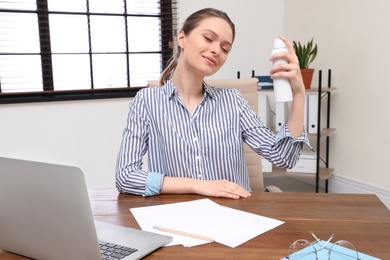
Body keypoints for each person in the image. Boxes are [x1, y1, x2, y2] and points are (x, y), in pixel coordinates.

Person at [115, 8, 309, 199]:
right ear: (182, 38)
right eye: (208, 38)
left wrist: (299, 93)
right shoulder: (146, 102)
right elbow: (125, 176)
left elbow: (284, 157)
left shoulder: (233, 101)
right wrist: (197, 185)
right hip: (177, 216)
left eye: (225, 48)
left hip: (234, 215)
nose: (216, 50)